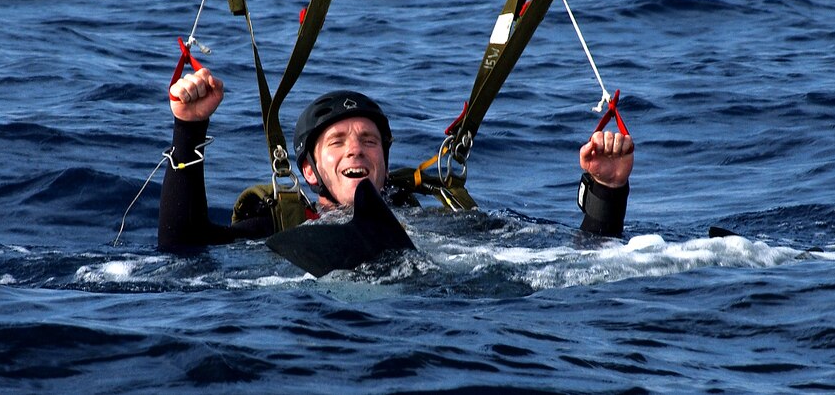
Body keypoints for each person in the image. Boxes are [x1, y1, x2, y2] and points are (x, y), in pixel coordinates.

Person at [157, 68, 634, 251]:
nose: (355, 149)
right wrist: (189, 128)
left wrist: (606, 191)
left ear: (385, 160)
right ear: (309, 172)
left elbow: (586, 257)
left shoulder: (441, 223)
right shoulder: (283, 227)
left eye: (368, 140)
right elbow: (182, 249)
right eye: (337, 141)